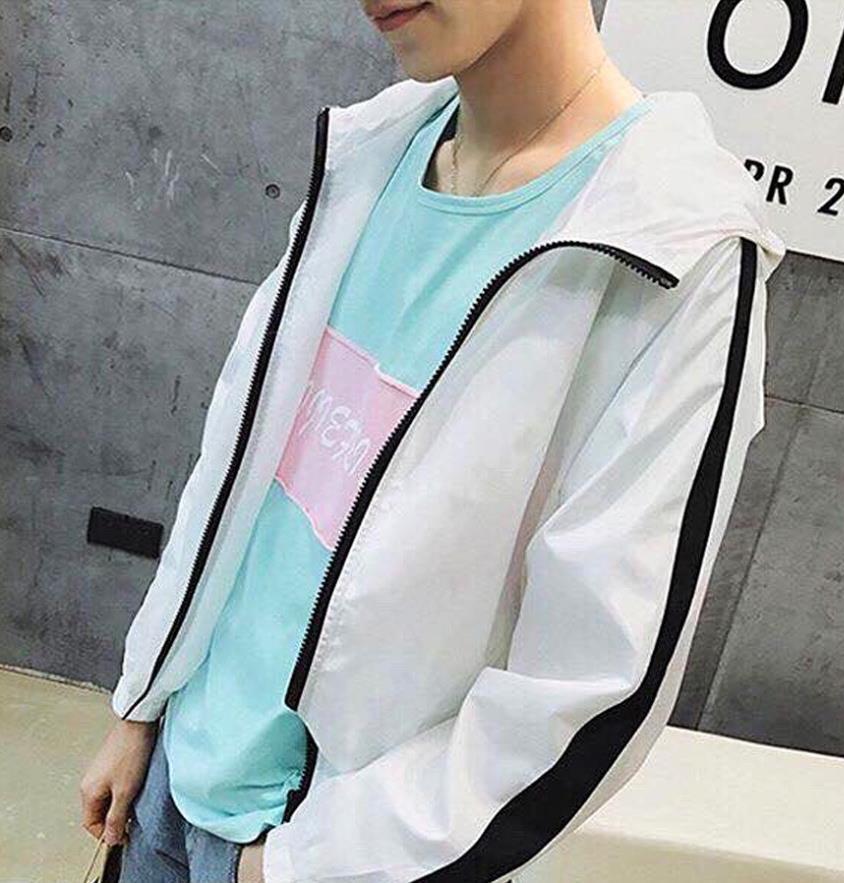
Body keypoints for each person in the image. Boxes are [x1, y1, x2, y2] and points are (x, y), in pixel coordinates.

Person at [79, 1, 786, 881]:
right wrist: (144, 700)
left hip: (320, 849)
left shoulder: (671, 246)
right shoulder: (371, 152)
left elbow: (592, 687)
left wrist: (294, 866)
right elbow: (236, 470)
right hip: (172, 776)